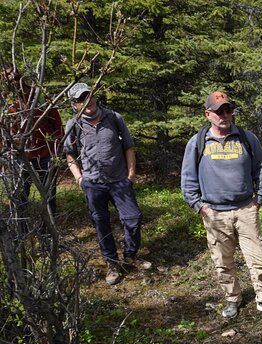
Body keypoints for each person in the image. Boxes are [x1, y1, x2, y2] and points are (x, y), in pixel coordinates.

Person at [181, 90, 262, 319]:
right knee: (223, 261)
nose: (225, 115)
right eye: (219, 111)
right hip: (214, 212)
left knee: (257, 258)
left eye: (228, 109)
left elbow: (261, 168)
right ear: (208, 114)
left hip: (246, 209)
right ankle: (232, 299)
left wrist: (258, 199)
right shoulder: (198, 142)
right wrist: (199, 206)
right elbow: (188, 178)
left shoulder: (247, 138)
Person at [64, 83, 151, 285]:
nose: (87, 102)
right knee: (101, 223)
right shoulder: (73, 125)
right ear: (74, 104)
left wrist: (130, 174)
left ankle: (130, 256)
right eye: (80, 99)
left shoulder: (113, 118)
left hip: (119, 180)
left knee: (133, 218)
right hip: (93, 184)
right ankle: (111, 262)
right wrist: (79, 178)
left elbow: (128, 147)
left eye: (89, 96)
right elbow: (70, 155)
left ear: (95, 97)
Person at [1, 63, 62, 217]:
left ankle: (49, 234)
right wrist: (7, 152)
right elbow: (4, 132)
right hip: (21, 159)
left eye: (13, 75)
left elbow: (56, 124)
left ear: (19, 75)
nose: (11, 80)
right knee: (20, 198)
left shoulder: (38, 96)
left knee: (49, 197)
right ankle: (22, 234)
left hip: (45, 156)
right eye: (6, 77)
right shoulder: (7, 103)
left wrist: (55, 150)